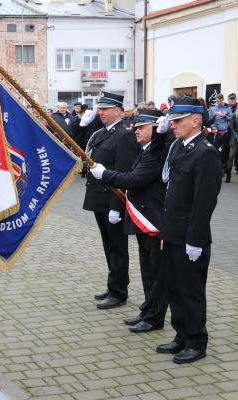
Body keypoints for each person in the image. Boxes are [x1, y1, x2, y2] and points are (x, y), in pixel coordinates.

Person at [90, 109, 168, 333]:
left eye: (142, 127)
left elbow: (134, 179)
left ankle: (155, 317)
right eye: (136, 127)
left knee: (156, 273)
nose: (136, 131)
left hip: (153, 220)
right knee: (147, 270)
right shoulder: (145, 150)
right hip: (143, 219)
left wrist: (105, 175)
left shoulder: (157, 152)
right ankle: (148, 310)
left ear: (156, 129)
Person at [157, 97, 222, 364]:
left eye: (178, 121)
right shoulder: (179, 147)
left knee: (191, 291)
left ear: (196, 121)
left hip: (190, 237)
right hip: (172, 232)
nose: (173, 125)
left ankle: (196, 342)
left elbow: (204, 202)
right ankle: (181, 335)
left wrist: (194, 240)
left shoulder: (205, 153)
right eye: (172, 121)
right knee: (174, 288)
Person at [83, 92, 139, 309]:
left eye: (106, 109)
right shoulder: (101, 133)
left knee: (117, 247)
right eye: (100, 109)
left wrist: (117, 207)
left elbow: (123, 172)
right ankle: (113, 284)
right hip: (99, 198)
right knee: (109, 246)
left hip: (112, 200)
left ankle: (119, 292)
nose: (101, 112)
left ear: (119, 111)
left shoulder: (124, 135)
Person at [208, 94, 234, 178]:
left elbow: (231, 119)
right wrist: (214, 114)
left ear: (223, 100)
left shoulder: (227, 108)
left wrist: (224, 116)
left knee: (223, 150)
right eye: (217, 101)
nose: (218, 102)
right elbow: (208, 119)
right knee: (214, 150)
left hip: (224, 132)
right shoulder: (212, 108)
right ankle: (214, 168)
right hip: (215, 132)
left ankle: (223, 168)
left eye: (220, 101)